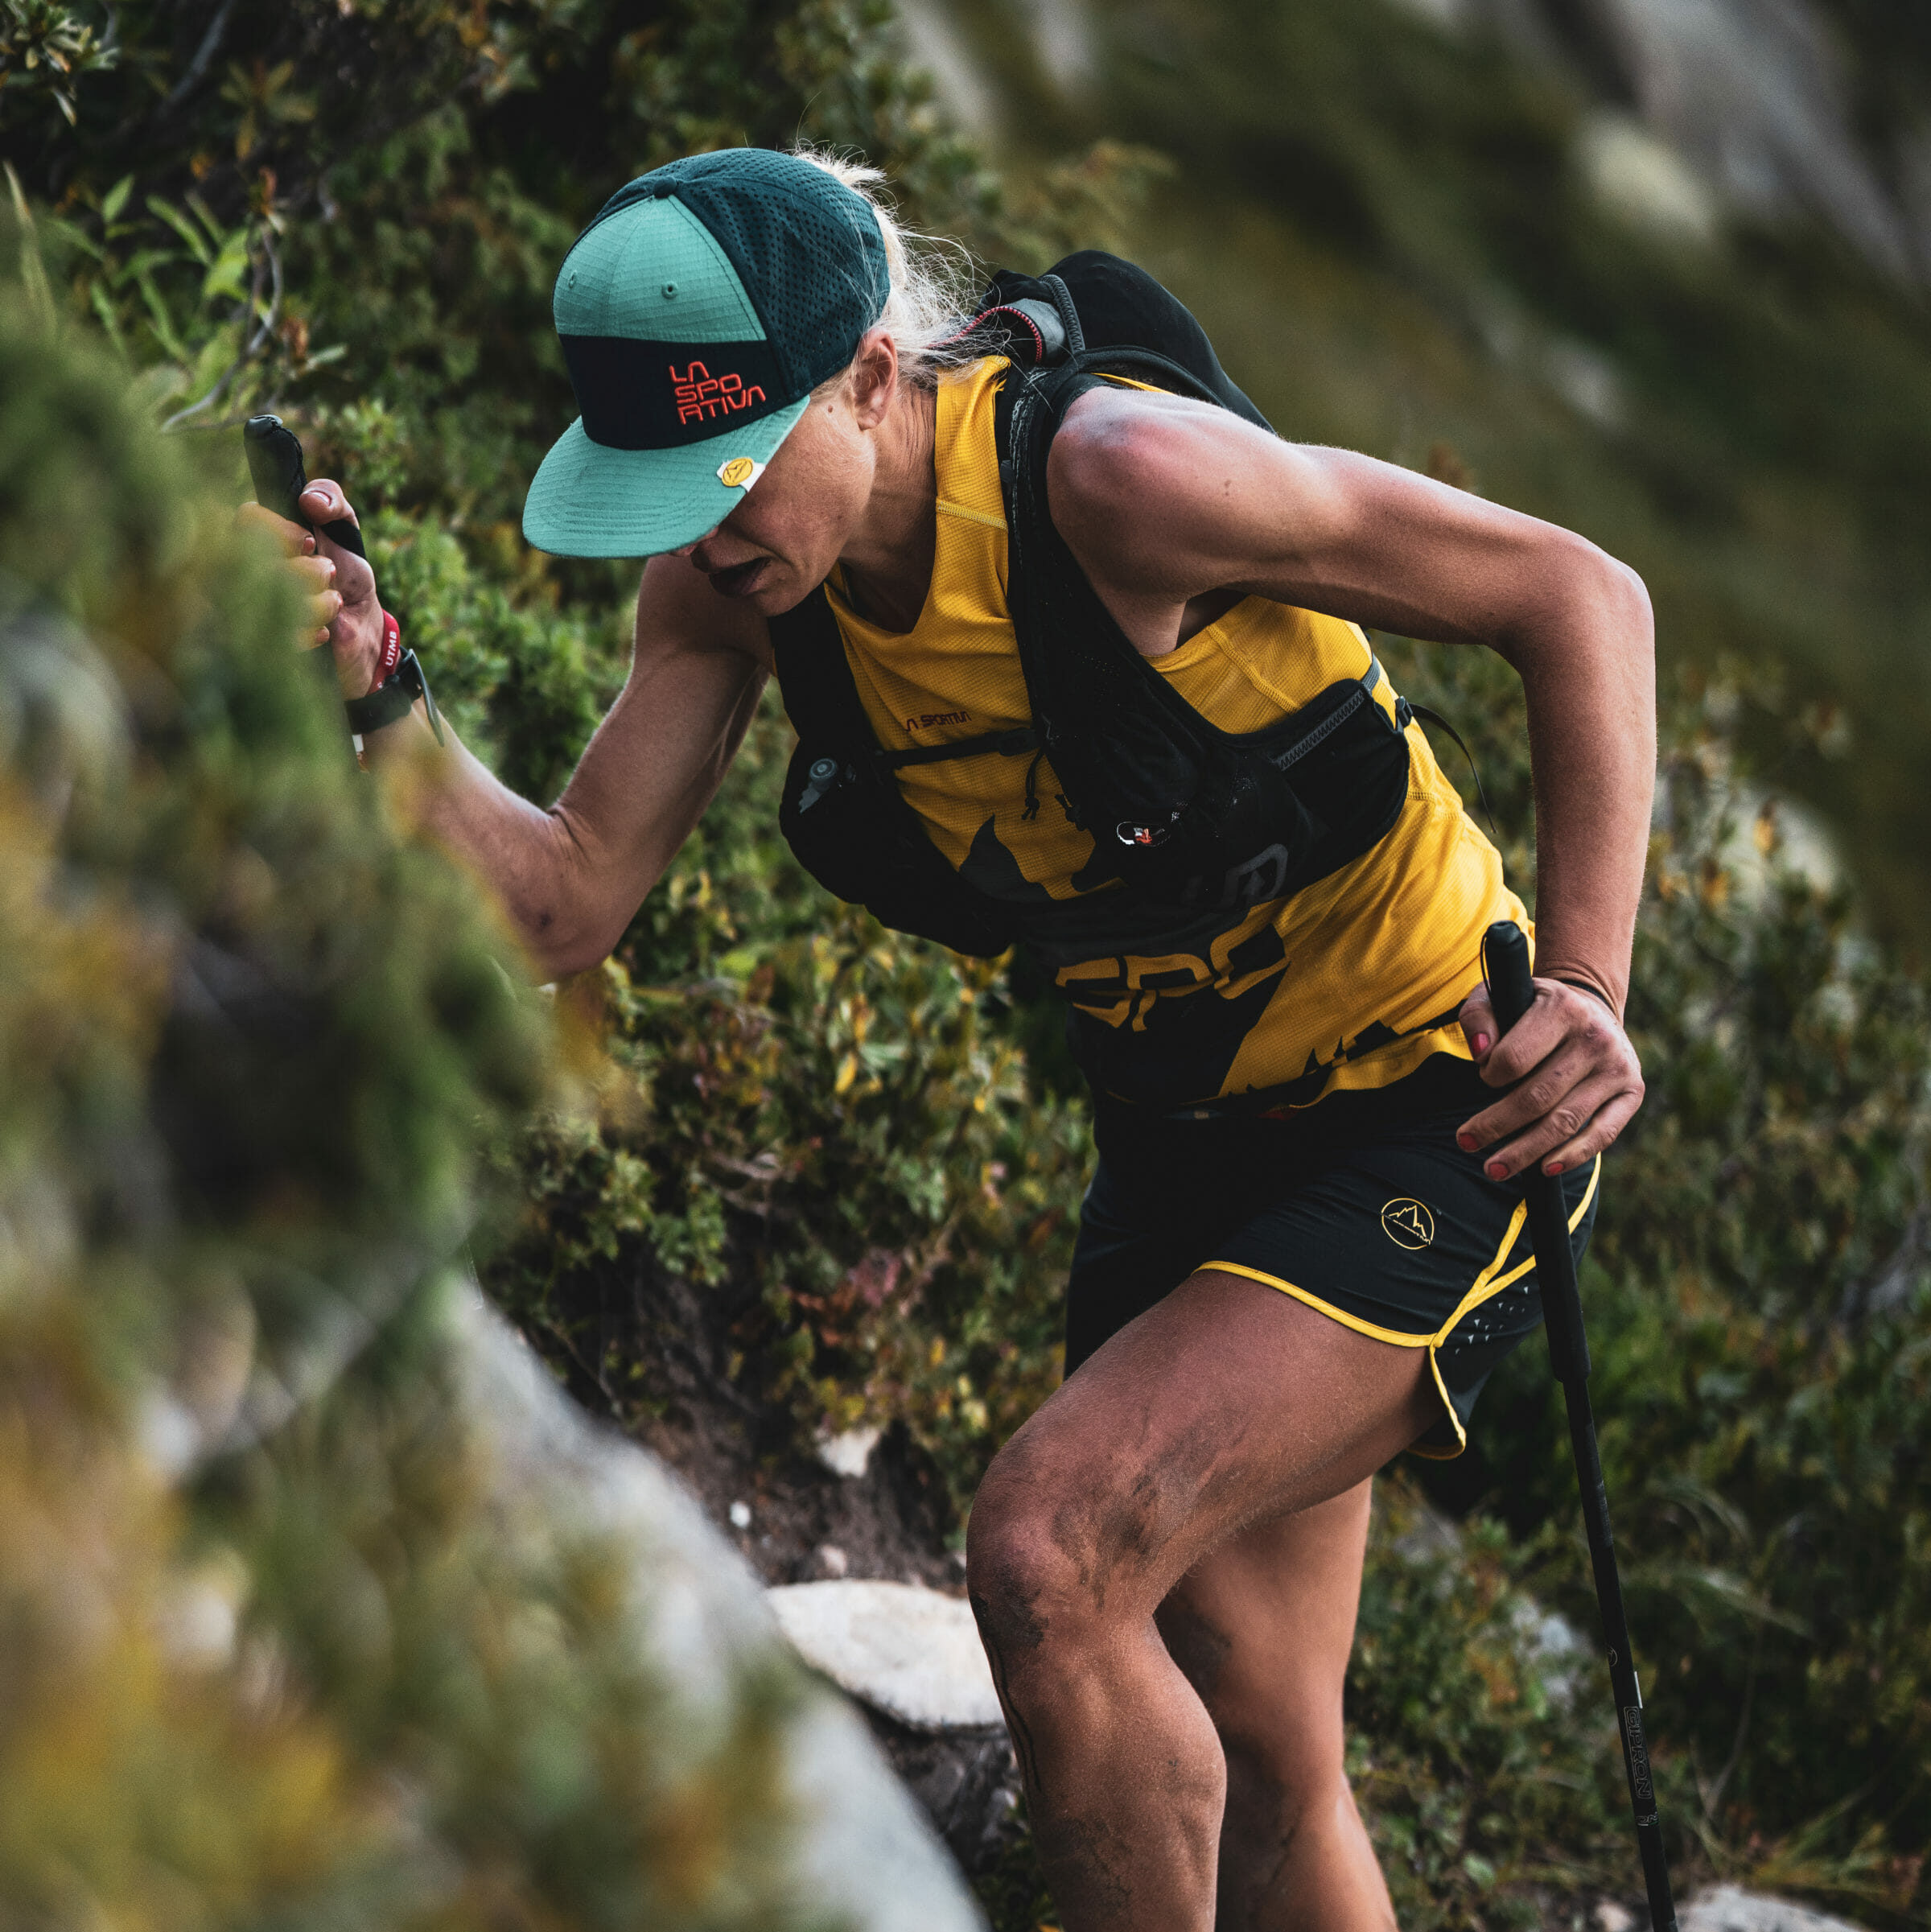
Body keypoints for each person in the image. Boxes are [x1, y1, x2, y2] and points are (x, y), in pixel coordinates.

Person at [252, 146, 1652, 1931]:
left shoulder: (1117, 484)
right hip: (1178, 1145)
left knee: (1051, 1555)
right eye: (666, 487)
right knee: (1265, 1741)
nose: (706, 528)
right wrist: (379, 690)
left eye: (737, 467)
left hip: (1434, 1103)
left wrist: (1593, 992)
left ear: (868, 375)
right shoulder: (730, 588)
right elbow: (562, 902)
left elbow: (1582, 596)